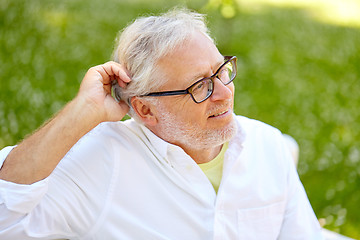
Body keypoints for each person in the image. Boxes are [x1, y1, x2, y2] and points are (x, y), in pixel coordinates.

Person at [0, 8, 323, 239]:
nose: (224, 93)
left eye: (221, 70)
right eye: (200, 86)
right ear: (144, 109)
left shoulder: (266, 146)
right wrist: (81, 112)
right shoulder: (103, 162)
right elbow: (6, 218)